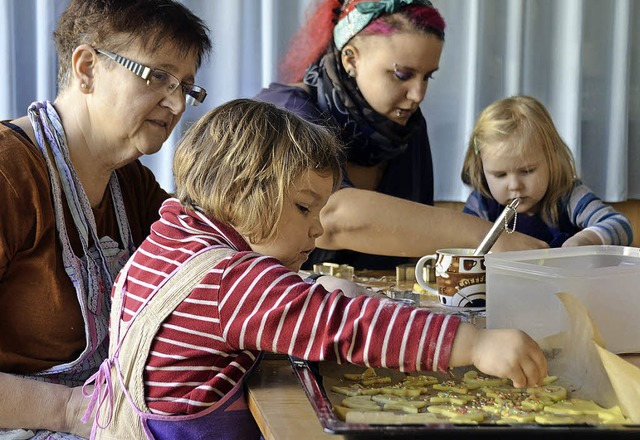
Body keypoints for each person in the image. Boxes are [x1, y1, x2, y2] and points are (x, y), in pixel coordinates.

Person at [84, 98, 547, 439]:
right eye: (305, 208)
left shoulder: (174, 237)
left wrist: (310, 284)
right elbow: (345, 327)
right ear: (243, 195)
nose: (317, 229)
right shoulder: (233, 281)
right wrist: (474, 342)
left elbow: (239, 311)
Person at [0, 0, 212, 437]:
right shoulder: (9, 171)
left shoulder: (132, 184)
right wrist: (66, 411)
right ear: (87, 69)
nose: (175, 104)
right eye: (158, 76)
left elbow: (207, 259)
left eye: (186, 88)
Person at [254, 0, 548, 271]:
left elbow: (412, 251)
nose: (418, 94)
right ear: (351, 59)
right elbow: (330, 215)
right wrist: (488, 238)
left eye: (427, 76)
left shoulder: (408, 126)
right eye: (402, 75)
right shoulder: (284, 113)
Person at [461, 95, 633, 247]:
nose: (515, 186)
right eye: (500, 175)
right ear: (481, 168)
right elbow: (460, 243)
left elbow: (620, 225)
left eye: (527, 171)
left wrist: (586, 240)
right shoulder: (482, 203)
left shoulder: (568, 195)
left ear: (551, 160)